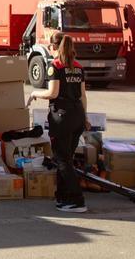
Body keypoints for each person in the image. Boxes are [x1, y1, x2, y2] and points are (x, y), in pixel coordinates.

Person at [27, 33, 90, 213]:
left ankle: (77, 200)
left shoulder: (54, 66)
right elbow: (83, 96)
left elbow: (52, 93)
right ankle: (63, 197)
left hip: (62, 117)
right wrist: (85, 118)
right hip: (77, 115)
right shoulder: (78, 67)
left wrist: (34, 94)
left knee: (62, 160)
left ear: (53, 47)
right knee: (67, 159)